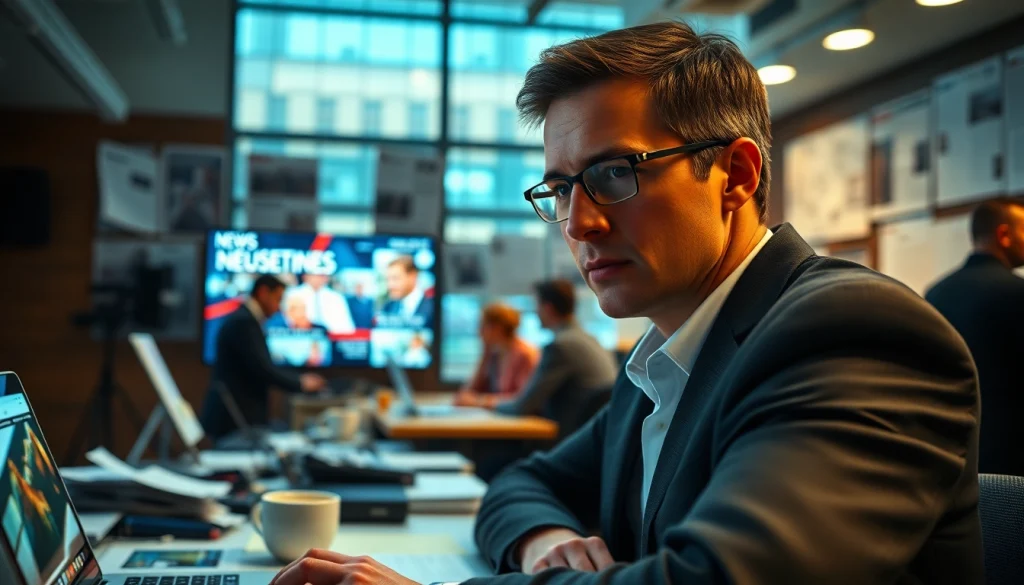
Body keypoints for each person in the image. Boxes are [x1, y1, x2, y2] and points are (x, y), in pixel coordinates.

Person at [273, 21, 981, 585]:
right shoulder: (662, 363)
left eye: (614, 173)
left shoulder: (850, 333)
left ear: (734, 174)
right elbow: (520, 483)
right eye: (561, 188)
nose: (579, 222)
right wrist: (546, 541)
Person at [926, 197, 1024, 476]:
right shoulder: (1018, 294)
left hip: (950, 450)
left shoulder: (936, 293)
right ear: (1004, 235)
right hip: (1011, 454)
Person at [200, 274, 326, 440]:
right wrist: (301, 382)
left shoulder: (246, 319)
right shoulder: (244, 322)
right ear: (263, 292)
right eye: (278, 299)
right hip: (234, 418)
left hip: (238, 416)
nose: (279, 307)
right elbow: (262, 368)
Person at [492, 280, 618, 433]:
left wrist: (482, 403)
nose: (535, 312)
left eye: (536, 306)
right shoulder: (591, 340)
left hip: (567, 438)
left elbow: (523, 406)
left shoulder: (560, 346)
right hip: (594, 435)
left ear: (548, 308)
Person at [454, 303, 540, 409]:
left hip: (520, 419)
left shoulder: (525, 354)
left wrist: (479, 402)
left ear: (498, 328)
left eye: (483, 326)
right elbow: (468, 392)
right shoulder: (495, 353)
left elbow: (522, 400)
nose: (479, 332)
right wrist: (484, 358)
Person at [290, 273, 355, 335]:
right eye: (316, 273)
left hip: (332, 341)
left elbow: (348, 328)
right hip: (301, 339)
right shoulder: (292, 294)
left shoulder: (337, 297)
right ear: (305, 275)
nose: (320, 277)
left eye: (323, 274)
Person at [379, 255, 434, 325]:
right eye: (387, 279)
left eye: (395, 278)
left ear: (413, 277)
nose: (390, 285)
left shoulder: (433, 307)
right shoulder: (387, 307)